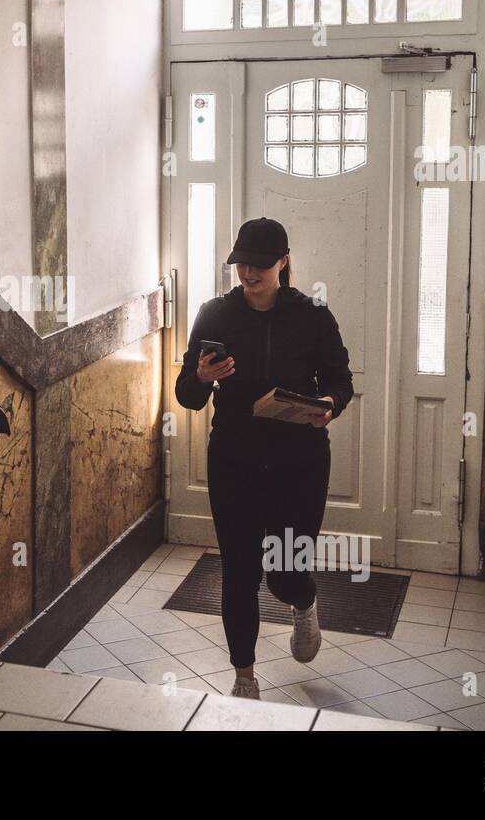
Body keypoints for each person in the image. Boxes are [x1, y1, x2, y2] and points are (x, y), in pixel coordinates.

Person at [174, 217, 353, 700]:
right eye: (241, 265)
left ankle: (303, 602)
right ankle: (244, 677)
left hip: (300, 463)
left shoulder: (313, 314)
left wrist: (330, 406)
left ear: (284, 262)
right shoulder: (215, 314)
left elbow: (341, 380)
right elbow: (187, 396)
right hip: (235, 460)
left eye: (259, 265)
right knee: (240, 570)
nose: (248, 274)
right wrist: (202, 376)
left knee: (287, 569)